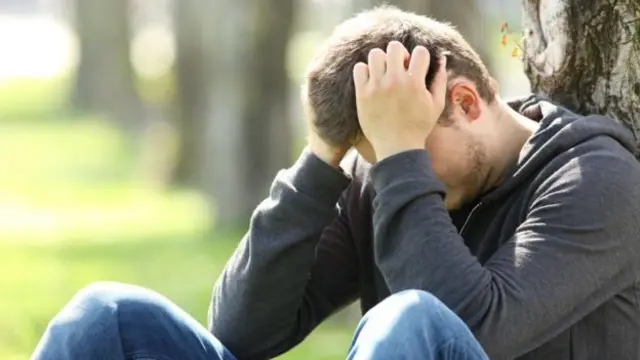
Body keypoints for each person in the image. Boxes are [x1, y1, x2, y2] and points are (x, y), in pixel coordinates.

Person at [32, 5, 640, 360]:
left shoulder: (597, 178)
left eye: (405, 145)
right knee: (104, 317)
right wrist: (323, 158)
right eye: (373, 154)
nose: (391, 173)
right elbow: (242, 332)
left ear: (465, 101)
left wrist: (401, 154)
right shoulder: (385, 168)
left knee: (406, 321)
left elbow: (466, 330)